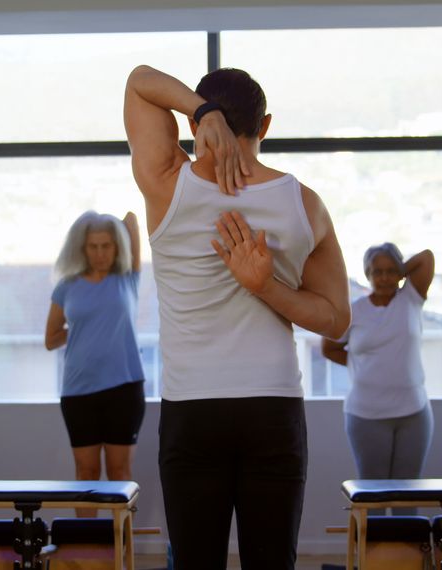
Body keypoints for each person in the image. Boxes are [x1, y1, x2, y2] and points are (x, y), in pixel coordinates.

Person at [124, 64, 351, 569]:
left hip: (192, 410)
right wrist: (268, 288)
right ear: (265, 125)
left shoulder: (167, 183)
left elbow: (140, 82)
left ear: (196, 127)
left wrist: (200, 112)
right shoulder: (304, 205)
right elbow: (337, 320)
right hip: (272, 409)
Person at [44, 210, 146, 517]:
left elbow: (131, 221)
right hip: (79, 391)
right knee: (86, 473)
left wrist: (108, 223)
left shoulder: (128, 279)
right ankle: (87, 552)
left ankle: (120, 553)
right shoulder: (67, 287)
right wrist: (84, 330)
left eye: (106, 245)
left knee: (119, 473)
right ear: (81, 248)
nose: (100, 253)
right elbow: (51, 338)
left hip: (124, 387)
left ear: (117, 248)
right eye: (93, 246)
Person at [321, 244, 435, 497]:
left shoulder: (411, 298)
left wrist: (401, 272)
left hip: (413, 413)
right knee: (374, 495)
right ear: (367, 274)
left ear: (400, 274)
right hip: (366, 416)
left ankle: (405, 539)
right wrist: (362, 367)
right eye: (377, 272)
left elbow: (426, 257)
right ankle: (374, 539)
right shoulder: (354, 311)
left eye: (391, 271)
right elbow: (329, 348)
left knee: (408, 494)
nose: (384, 278)